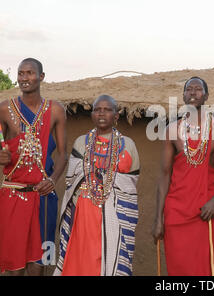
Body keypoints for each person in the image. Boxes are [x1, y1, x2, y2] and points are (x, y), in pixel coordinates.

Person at [152, 77, 214, 276]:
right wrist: (158, 218)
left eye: (198, 89)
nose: (193, 93)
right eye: (189, 89)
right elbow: (164, 176)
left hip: (208, 212)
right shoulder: (172, 131)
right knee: (179, 269)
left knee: (207, 269)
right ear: (183, 95)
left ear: (206, 95)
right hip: (176, 212)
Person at [54, 95, 140, 276]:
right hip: (83, 216)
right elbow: (72, 184)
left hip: (116, 216)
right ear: (92, 114)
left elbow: (130, 189)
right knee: (82, 263)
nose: (102, 113)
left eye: (107, 109)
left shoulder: (128, 146)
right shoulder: (81, 142)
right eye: (97, 109)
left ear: (116, 116)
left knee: (109, 263)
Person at [0, 58, 67, 275]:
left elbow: (63, 154)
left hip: (43, 195)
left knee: (39, 265)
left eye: (29, 73)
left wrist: (52, 180)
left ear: (41, 77)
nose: (24, 78)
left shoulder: (56, 110)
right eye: (20, 73)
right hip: (13, 194)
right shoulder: (4, 109)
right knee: (14, 265)